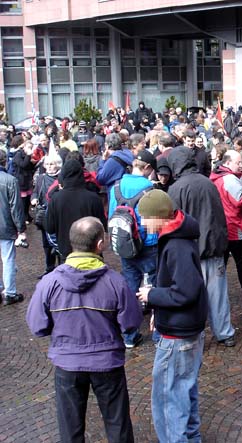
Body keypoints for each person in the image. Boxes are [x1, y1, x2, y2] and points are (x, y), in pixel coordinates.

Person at [26, 217, 142, 442]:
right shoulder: (115, 282)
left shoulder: (49, 283)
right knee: (117, 425)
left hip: (68, 364)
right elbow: (130, 323)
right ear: (100, 245)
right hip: (107, 364)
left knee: (70, 429)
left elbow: (38, 326)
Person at [136, 190, 208, 443]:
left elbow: (185, 291)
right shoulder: (177, 235)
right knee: (184, 393)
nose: (143, 224)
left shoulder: (176, 244)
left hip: (178, 335)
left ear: (160, 218)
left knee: (169, 401)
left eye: (145, 218)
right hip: (185, 328)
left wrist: (152, 296)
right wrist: (159, 310)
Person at [167, 147, 236, 347]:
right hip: (212, 248)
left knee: (190, 296)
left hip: (190, 251)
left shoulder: (176, 188)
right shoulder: (208, 183)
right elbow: (218, 218)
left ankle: (193, 334)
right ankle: (224, 332)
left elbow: (174, 222)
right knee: (218, 295)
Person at [108, 150, 157, 349]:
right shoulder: (148, 188)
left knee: (129, 289)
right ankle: (157, 333)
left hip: (125, 245)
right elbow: (152, 224)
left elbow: (111, 215)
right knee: (153, 286)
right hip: (147, 246)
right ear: (147, 168)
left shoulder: (116, 186)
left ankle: (129, 334)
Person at [210, 150, 242, 303]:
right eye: (238, 163)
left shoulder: (218, 176)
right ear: (227, 162)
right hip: (235, 227)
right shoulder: (230, 180)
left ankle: (216, 293)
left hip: (223, 226)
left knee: (221, 263)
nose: (241, 165)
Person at [46, 160, 107, 258]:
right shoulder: (93, 198)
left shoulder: (56, 199)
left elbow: (50, 227)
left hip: (67, 251)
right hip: (91, 250)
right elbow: (102, 226)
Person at [0, 150, 26, 305]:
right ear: (5, 162)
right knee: (8, 259)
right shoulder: (10, 180)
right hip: (5, 226)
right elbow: (16, 208)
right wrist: (21, 229)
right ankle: (10, 293)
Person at [31, 154, 62, 277]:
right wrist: (33, 199)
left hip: (58, 214)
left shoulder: (61, 178)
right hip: (44, 214)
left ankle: (60, 267)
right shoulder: (41, 178)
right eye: (47, 164)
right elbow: (35, 192)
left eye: (52, 164)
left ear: (57, 165)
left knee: (58, 242)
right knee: (46, 243)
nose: (49, 167)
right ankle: (49, 267)